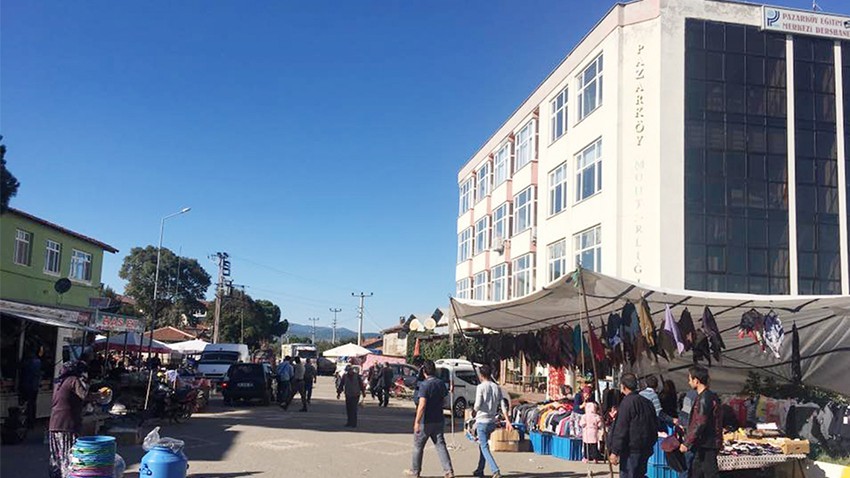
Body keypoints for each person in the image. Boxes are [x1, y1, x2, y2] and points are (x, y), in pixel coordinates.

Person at [404, 359, 454, 478]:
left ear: (424, 371)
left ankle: (415, 471)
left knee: (418, 446)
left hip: (425, 421)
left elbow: (421, 405)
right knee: (440, 445)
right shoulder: (440, 383)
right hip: (438, 418)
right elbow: (446, 400)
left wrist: (416, 422)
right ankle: (448, 471)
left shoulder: (424, 385)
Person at [608, 372, 658, 478]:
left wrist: (615, 451)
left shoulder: (627, 403)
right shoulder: (647, 402)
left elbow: (621, 429)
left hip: (631, 450)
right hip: (644, 448)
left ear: (623, 386)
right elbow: (654, 425)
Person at [48, 360, 90, 478]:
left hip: (54, 424)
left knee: (56, 457)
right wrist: (99, 395)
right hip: (67, 424)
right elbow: (84, 395)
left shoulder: (59, 382)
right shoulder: (73, 380)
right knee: (69, 455)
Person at [679, 366, 722, 478]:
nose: (688, 382)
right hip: (703, 442)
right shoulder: (706, 396)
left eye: (690, 379)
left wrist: (687, 443)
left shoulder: (705, 398)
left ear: (696, 381)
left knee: (710, 473)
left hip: (708, 443)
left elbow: (700, 422)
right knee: (696, 471)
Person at [472, 364, 509, 478]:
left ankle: (495, 470)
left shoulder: (481, 387)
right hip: (492, 421)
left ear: (481, 375)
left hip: (482, 420)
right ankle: (480, 469)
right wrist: (506, 418)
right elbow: (502, 404)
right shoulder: (496, 387)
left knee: (483, 446)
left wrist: (474, 411)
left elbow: (478, 404)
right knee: (483, 445)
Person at [19, 349, 42, 429]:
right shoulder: (38, 362)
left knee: (26, 403)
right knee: (32, 404)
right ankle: (31, 422)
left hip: (27, 385)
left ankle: (27, 421)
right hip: (34, 386)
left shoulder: (28, 362)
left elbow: (21, 367)